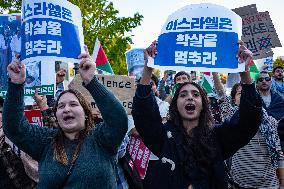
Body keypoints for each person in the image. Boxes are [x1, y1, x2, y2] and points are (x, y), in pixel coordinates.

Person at [132, 41, 262, 189]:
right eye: (183, 95)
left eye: (195, 94)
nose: (190, 97)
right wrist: (148, 68)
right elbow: (144, 115)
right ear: (175, 106)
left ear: (203, 106)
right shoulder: (163, 137)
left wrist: (244, 71)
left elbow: (248, 121)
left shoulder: (217, 136)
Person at [3, 47, 128, 188]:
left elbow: (118, 120)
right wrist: (16, 84)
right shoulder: (46, 141)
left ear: (86, 113)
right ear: (56, 115)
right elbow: (14, 127)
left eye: (73, 104)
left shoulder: (101, 138)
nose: (66, 109)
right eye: (61, 106)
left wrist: (91, 80)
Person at [213, 72, 284, 188]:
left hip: (268, 184)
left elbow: (279, 153)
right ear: (234, 99)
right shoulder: (230, 117)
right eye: (241, 93)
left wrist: (282, 182)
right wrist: (214, 69)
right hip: (239, 184)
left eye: (248, 93)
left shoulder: (270, 122)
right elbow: (220, 93)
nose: (245, 96)